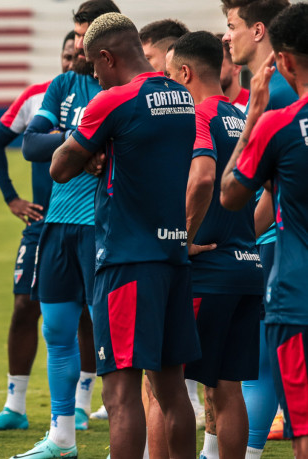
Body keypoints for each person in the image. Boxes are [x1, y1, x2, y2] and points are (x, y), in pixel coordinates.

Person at [50, 12, 201, 459]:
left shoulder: (112, 101)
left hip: (127, 261)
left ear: (106, 56)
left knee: (119, 394)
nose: (93, 76)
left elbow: (59, 167)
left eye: (93, 66)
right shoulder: (180, 95)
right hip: (173, 257)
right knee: (172, 389)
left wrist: (92, 152)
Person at [6, 2, 120, 458]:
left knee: (113, 340)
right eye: (74, 34)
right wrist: (81, 145)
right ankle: (62, 437)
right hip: (57, 226)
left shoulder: (125, 87)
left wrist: (78, 146)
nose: (77, 44)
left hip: (103, 227)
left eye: (84, 34)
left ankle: (126, 440)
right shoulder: (63, 85)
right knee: (56, 331)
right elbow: (31, 144)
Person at [164, 31, 263, 459]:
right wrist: (243, 238)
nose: (169, 84)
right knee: (228, 388)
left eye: (170, 75)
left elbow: (203, 177)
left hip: (209, 273)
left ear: (186, 73)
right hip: (247, 266)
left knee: (167, 385)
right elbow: (266, 193)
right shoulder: (240, 118)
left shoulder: (198, 115)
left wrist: (183, 239)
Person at [0, 29, 73, 433]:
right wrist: (12, 197)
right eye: (66, 54)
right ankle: (15, 406)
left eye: (77, 54)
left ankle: (82, 405)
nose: (71, 61)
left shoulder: (105, 96)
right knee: (23, 307)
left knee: (84, 314)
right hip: (41, 223)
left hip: (89, 221)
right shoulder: (38, 97)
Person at [220, 5, 308, 458]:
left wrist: (253, 116)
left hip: (290, 279)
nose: (225, 36)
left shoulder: (277, 110)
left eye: (230, 26)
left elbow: (234, 193)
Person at [216, 33, 249, 112]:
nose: (211, 72)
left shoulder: (253, 102)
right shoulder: (201, 107)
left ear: (236, 67)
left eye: (217, 65)